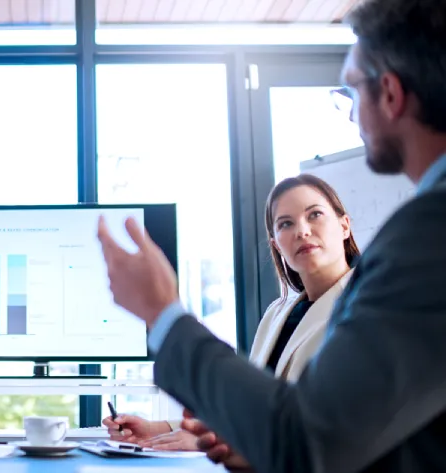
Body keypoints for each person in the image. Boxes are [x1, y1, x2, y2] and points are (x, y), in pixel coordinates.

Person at [96, 0, 446, 471]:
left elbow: (309, 436)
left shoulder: (427, 233)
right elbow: (368, 428)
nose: (349, 116)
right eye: (284, 223)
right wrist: (253, 443)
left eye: (350, 91)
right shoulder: (280, 312)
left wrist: (162, 312)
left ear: (390, 93)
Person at [103, 174, 361, 452]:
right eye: (286, 223)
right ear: (276, 244)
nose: (302, 231)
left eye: (315, 215)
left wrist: (212, 441)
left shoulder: (362, 311)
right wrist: (160, 428)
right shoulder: (278, 313)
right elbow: (253, 409)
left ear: (344, 226)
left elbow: (328, 431)